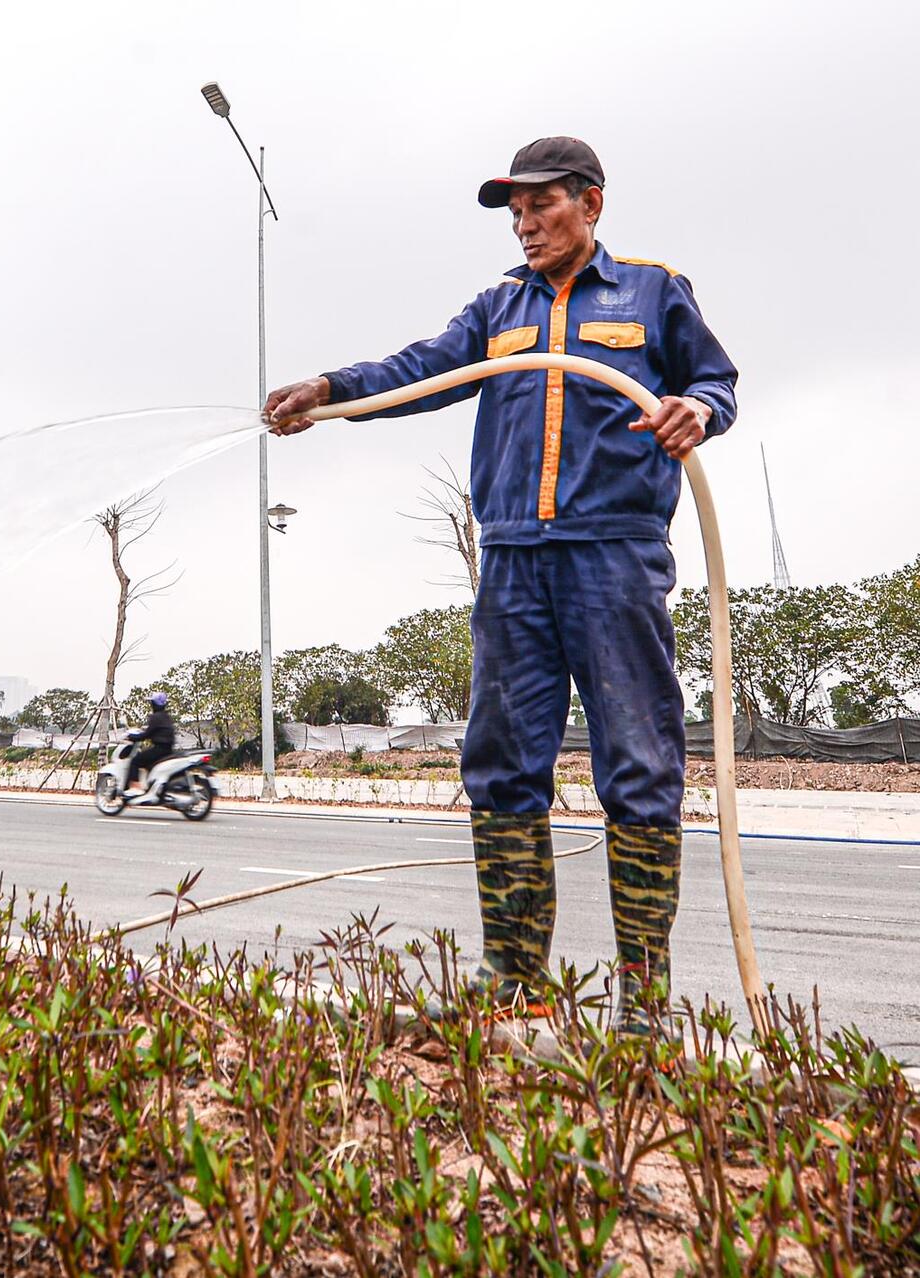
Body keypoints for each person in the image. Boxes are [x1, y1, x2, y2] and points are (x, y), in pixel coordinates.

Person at [262, 137, 737, 1035]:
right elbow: (421, 369)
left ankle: (642, 1006)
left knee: (639, 765)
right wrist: (329, 389)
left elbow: (716, 380)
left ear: (590, 203)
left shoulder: (653, 291)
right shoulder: (498, 307)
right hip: (514, 560)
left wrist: (698, 408)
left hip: (615, 554)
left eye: (541, 205)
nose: (525, 225)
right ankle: (514, 981)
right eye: (515, 212)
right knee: (501, 763)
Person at [125, 692, 177, 797]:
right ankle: (149, 787)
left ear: (154, 704)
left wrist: (131, 737)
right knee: (148, 764)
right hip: (168, 750)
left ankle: (135, 788)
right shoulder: (166, 717)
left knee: (135, 761)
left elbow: (146, 735)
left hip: (159, 749)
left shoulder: (155, 717)